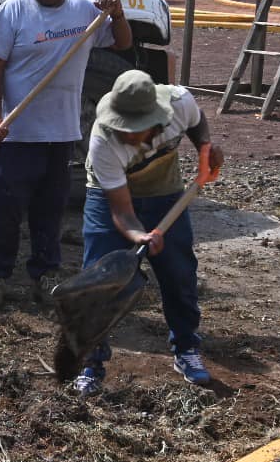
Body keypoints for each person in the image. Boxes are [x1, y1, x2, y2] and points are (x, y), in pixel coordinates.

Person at [0, 0, 132, 309]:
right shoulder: (14, 10)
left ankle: (45, 274)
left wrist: (119, 14)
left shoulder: (84, 11)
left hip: (61, 133)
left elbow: (123, 43)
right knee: (3, 203)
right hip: (17, 131)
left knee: (50, 208)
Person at [72, 69, 223, 396]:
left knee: (179, 273)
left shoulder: (180, 103)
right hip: (108, 195)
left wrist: (205, 150)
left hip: (164, 191)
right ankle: (90, 362)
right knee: (100, 278)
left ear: (154, 120)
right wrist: (140, 236)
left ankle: (185, 349)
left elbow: (197, 123)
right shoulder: (103, 141)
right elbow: (122, 212)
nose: (125, 134)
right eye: (121, 126)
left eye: (133, 130)